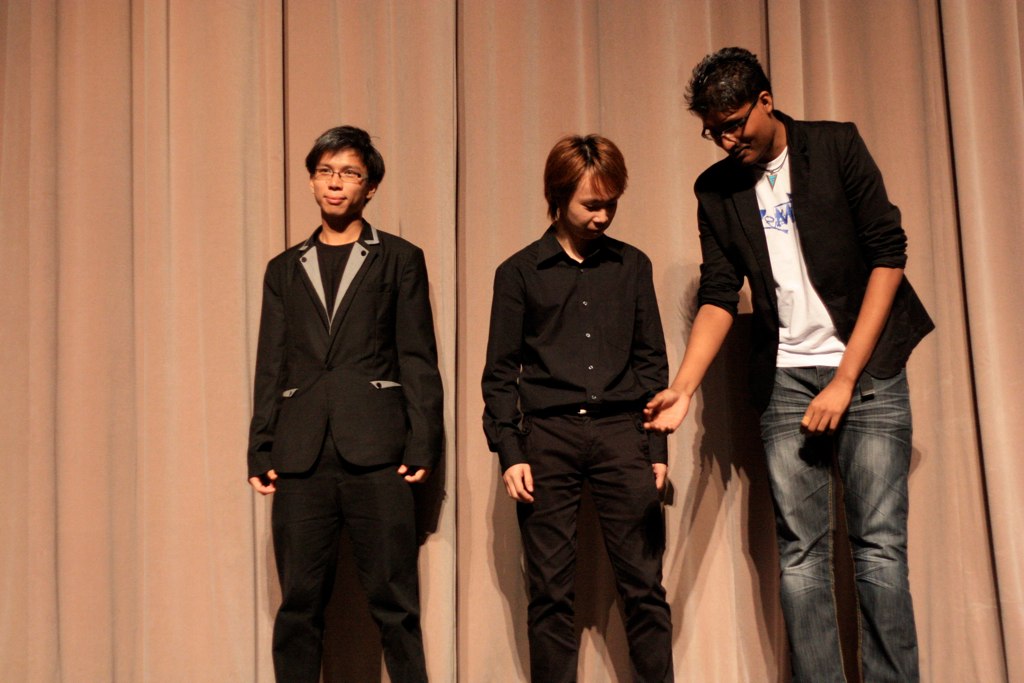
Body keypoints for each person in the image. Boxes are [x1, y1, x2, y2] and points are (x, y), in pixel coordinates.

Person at [644, 47, 933, 681]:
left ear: (766, 103)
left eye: (734, 123)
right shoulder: (715, 190)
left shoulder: (834, 147)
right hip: (785, 379)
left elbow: (889, 254)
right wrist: (684, 388)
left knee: (879, 549)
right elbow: (721, 293)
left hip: (869, 372)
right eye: (712, 130)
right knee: (801, 556)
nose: (725, 139)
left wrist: (846, 379)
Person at [247, 125, 443, 683]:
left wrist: (422, 438)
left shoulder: (400, 259)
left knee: (395, 606)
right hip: (300, 453)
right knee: (299, 608)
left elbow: (417, 356)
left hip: (379, 451)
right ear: (312, 181)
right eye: (326, 172)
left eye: (350, 174)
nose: (336, 184)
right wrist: (260, 445)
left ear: (371, 187)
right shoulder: (284, 269)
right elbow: (271, 363)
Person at [482, 134, 674, 682]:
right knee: (549, 593)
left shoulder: (633, 266)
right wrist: (510, 452)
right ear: (559, 195)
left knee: (644, 588)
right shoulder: (518, 273)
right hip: (548, 437)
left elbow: (651, 364)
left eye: (611, 203)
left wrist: (655, 446)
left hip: (621, 433)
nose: (603, 215)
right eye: (592, 204)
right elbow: (500, 374)